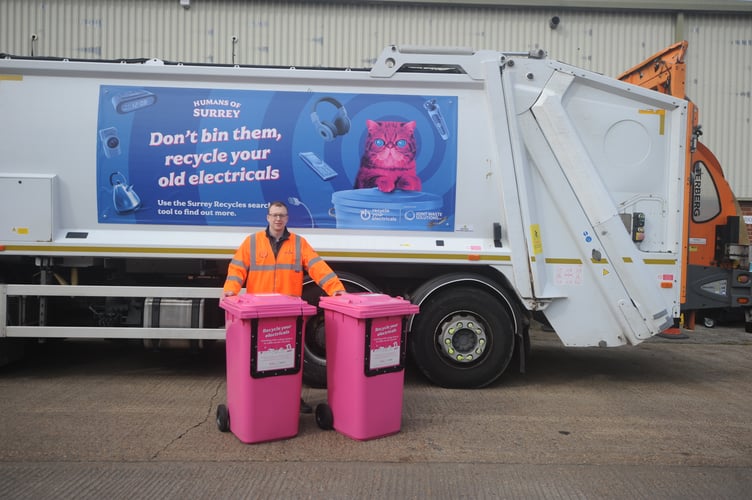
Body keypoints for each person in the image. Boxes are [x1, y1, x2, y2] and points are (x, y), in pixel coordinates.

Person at [223, 200, 345, 413]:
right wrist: (231, 289)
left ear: (287, 219)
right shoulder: (252, 242)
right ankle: (260, 397)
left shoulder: (299, 243)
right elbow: (237, 268)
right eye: (274, 215)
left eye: (282, 215)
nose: (278, 219)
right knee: (260, 357)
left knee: (290, 357)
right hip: (259, 312)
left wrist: (335, 288)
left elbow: (317, 266)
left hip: (288, 314)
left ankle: (291, 398)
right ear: (267, 217)